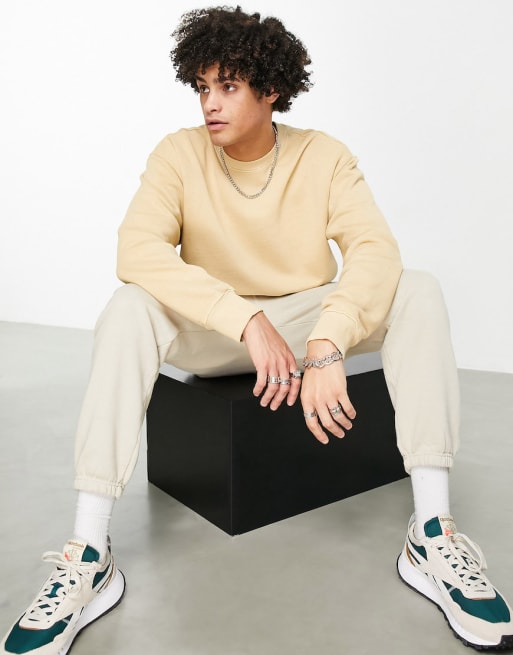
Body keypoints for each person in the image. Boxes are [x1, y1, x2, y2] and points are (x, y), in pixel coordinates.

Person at [2, 5, 512, 654]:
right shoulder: (178, 154)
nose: (210, 103)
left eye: (228, 86)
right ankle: (89, 552)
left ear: (270, 89)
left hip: (306, 322)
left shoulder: (323, 156)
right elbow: (138, 251)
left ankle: (432, 533)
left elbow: (373, 250)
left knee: (418, 287)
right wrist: (243, 316)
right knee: (128, 306)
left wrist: (327, 339)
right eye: (202, 87)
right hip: (220, 334)